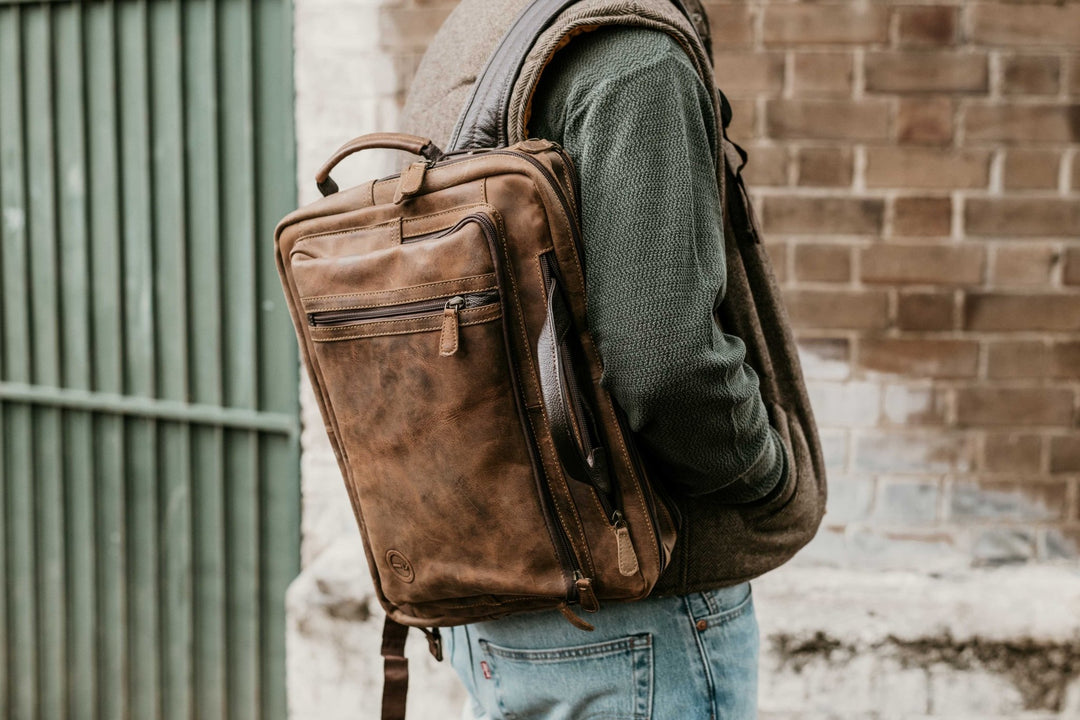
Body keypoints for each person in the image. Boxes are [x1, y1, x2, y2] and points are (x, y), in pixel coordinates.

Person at [401, 1, 806, 717]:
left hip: (499, 591)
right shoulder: (633, 58)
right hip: (638, 615)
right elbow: (667, 366)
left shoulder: (486, 24)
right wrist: (763, 470)